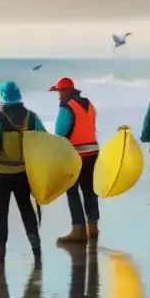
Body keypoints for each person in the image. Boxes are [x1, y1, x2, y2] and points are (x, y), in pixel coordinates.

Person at [0, 81, 46, 266]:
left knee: (1, 215)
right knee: (27, 211)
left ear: (2, 96)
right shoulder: (31, 117)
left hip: (1, 175)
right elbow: (45, 140)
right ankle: (37, 251)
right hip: (23, 174)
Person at [50, 77, 100, 244]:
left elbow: (59, 134)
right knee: (89, 191)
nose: (59, 96)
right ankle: (93, 228)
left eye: (60, 92)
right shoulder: (89, 105)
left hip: (75, 155)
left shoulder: (67, 107)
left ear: (67, 91)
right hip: (93, 152)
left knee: (72, 191)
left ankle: (78, 230)